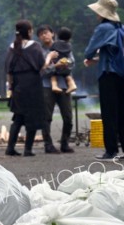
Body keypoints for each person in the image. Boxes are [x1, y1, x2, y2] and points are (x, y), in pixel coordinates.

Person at [84, 0, 124, 161]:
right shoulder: (120, 27)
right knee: (123, 111)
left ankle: (111, 151)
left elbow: (88, 51)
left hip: (108, 75)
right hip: (122, 74)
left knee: (109, 113)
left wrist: (92, 57)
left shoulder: (103, 28)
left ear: (102, 12)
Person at [5, 20, 58, 157]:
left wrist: (11, 87)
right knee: (33, 117)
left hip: (17, 86)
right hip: (33, 85)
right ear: (29, 32)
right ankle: (27, 149)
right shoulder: (34, 46)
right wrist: (50, 57)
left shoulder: (12, 47)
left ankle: (10, 148)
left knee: (17, 117)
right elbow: (42, 66)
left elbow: (9, 71)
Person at [37, 24, 76, 154]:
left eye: (46, 32)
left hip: (64, 85)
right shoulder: (39, 52)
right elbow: (41, 72)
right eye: (41, 34)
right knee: (46, 117)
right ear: (39, 37)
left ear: (52, 34)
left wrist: (64, 65)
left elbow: (72, 63)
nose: (44, 35)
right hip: (46, 86)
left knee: (68, 116)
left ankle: (64, 143)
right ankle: (48, 145)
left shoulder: (64, 46)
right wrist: (56, 67)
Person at [50, 27, 78, 94]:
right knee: (67, 75)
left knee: (53, 75)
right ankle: (72, 85)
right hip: (65, 62)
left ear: (57, 35)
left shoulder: (55, 44)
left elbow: (51, 51)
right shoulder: (69, 45)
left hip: (57, 63)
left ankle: (54, 86)